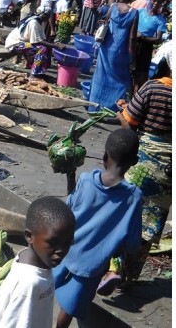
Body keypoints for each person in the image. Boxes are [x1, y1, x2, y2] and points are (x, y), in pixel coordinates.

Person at [54, 128, 143, 328]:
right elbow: (132, 242)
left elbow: (69, 207)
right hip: (92, 265)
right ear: (134, 162)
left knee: (45, 287)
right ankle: (112, 272)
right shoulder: (134, 198)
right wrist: (127, 257)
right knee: (68, 309)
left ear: (104, 156)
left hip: (65, 251)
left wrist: (70, 177)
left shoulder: (86, 179)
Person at [114, 42, 172, 290]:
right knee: (148, 225)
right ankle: (129, 278)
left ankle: (111, 270)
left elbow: (128, 125)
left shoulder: (152, 89)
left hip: (143, 164)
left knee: (124, 215)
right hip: (168, 173)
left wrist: (122, 112)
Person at [0, 197, 75, 328]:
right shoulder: (29, 284)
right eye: (52, 243)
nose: (60, 251)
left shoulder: (36, 262)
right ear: (30, 236)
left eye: (67, 243)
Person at [88, 0, 138, 112]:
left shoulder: (113, 7)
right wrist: (133, 59)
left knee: (101, 75)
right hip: (121, 51)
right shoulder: (134, 13)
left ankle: (94, 107)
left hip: (107, 48)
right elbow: (132, 38)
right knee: (120, 79)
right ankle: (111, 109)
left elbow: (105, 22)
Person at [4, 6, 66, 79]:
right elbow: (36, 42)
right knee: (42, 49)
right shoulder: (34, 22)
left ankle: (39, 72)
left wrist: (54, 43)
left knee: (44, 48)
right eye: (48, 16)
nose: (49, 18)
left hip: (22, 42)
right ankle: (34, 74)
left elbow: (42, 39)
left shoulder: (39, 21)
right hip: (15, 44)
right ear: (45, 15)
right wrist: (55, 46)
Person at [133, 0, 167, 93]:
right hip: (133, 45)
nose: (156, 3)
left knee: (141, 76)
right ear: (150, 0)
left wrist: (142, 37)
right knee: (129, 72)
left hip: (145, 49)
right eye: (154, 0)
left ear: (161, 4)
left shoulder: (160, 20)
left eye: (159, 2)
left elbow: (158, 39)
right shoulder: (139, 12)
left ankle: (137, 99)